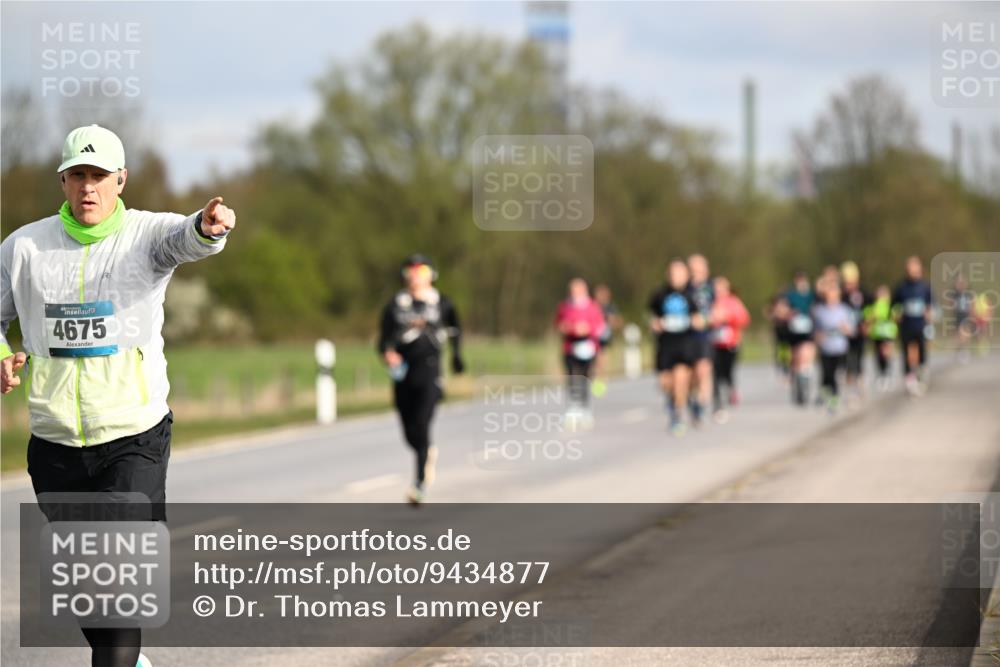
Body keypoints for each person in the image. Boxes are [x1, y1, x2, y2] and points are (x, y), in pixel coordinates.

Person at [0, 124, 235, 667]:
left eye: (100, 176)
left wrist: (207, 228)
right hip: (54, 442)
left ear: (121, 180)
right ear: (62, 181)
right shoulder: (24, 247)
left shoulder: (143, 235)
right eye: (78, 175)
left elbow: (184, 237)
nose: (89, 187)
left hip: (133, 436)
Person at [377, 254, 463, 505]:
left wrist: (457, 356)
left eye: (421, 271)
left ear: (431, 275)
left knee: (422, 424)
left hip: (430, 371)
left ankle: (419, 483)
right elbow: (382, 339)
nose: (415, 276)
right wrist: (387, 354)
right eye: (410, 271)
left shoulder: (442, 303)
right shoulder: (395, 305)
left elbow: (456, 330)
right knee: (409, 431)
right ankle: (425, 453)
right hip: (403, 372)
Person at [649, 259, 703, 436]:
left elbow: (700, 318)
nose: (675, 277)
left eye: (679, 273)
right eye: (672, 273)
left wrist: (695, 321)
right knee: (665, 383)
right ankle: (684, 400)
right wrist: (655, 324)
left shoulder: (692, 295)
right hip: (665, 344)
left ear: (686, 275)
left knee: (681, 379)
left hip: (685, 343)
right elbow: (651, 316)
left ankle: (677, 416)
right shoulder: (660, 295)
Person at [554, 278, 605, 430]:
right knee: (572, 377)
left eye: (578, 290)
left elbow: (600, 326)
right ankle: (573, 408)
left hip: (588, 347)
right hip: (570, 347)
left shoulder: (592, 306)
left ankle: (585, 408)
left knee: (585, 377)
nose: (575, 293)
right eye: (573, 290)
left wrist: (587, 329)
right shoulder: (564, 306)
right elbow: (558, 324)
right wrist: (567, 328)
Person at [709, 276, 750, 423]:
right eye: (716, 288)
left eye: (722, 288)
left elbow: (744, 319)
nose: (719, 291)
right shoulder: (710, 302)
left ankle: (731, 388)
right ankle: (717, 401)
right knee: (715, 373)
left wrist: (728, 318)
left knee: (728, 370)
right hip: (713, 344)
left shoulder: (733, 301)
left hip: (730, 343)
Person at [892, 255, 933, 396]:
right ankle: (909, 380)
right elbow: (893, 305)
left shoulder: (925, 287)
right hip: (906, 326)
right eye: (910, 268)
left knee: (921, 353)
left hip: (921, 325)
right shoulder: (901, 287)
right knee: (907, 354)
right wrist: (896, 315)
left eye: (915, 267)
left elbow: (931, 304)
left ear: (920, 269)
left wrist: (929, 313)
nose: (912, 270)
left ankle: (921, 374)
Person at [812, 279, 855, 414]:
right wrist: (817, 337)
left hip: (840, 348)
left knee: (837, 375)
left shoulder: (844, 310)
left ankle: (834, 398)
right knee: (827, 375)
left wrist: (845, 328)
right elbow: (814, 330)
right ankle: (827, 394)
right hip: (826, 348)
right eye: (828, 293)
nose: (831, 296)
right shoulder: (819, 311)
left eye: (833, 292)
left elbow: (852, 330)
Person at [781, 269, 817, 406]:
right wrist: (789, 313)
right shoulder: (791, 295)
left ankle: (805, 380)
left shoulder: (811, 295)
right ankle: (797, 382)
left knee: (806, 354)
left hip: (808, 330)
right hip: (794, 331)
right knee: (796, 359)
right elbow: (782, 309)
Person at [686, 254, 715, 426]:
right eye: (692, 268)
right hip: (687, 336)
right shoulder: (685, 288)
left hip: (705, 335)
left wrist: (710, 318)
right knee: (691, 374)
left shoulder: (712, 287)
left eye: (699, 268)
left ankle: (702, 406)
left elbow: (720, 307)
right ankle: (692, 397)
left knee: (703, 369)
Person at [839, 261, 871, 399]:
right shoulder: (840, 294)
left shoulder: (863, 292)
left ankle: (860, 383)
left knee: (859, 358)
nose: (848, 286)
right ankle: (850, 389)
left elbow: (872, 308)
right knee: (847, 361)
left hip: (860, 332)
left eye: (851, 282)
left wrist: (867, 323)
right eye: (846, 283)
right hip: (845, 334)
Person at [863, 284, 898, 391]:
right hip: (877, 333)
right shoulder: (873, 306)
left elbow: (896, 318)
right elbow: (868, 318)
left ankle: (887, 372)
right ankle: (881, 374)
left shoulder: (891, 306)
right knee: (879, 355)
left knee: (886, 353)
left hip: (888, 333)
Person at [591, 283, 622, 398]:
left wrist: (611, 320)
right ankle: (596, 379)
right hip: (592, 337)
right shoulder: (592, 306)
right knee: (594, 361)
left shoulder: (610, 307)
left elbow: (617, 322)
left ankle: (600, 383)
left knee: (601, 360)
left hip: (604, 338)